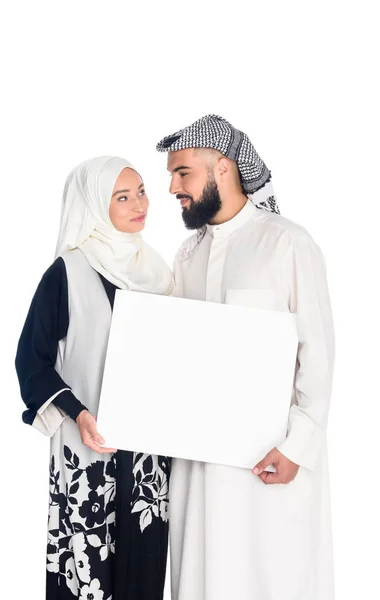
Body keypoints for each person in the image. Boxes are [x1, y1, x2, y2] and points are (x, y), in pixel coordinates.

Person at [156, 115, 335, 600]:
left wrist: (297, 447)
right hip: (197, 469)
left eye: (183, 173)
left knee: (272, 577)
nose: (172, 186)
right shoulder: (186, 257)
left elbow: (317, 353)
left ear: (223, 169)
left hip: (269, 465)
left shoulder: (286, 242)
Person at [15, 156, 174, 600]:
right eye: (121, 197)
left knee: (145, 570)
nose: (138, 204)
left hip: (148, 460)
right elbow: (32, 360)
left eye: (141, 191)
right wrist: (79, 413)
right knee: (88, 573)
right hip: (89, 451)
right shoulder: (67, 272)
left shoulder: (158, 273)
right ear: (93, 206)